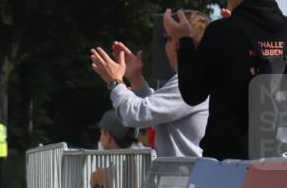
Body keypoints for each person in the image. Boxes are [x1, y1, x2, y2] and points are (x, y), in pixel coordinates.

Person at [168, 0, 287, 160]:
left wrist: (184, 40)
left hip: (229, 163)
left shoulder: (222, 31)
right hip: (281, 161)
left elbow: (192, 93)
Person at [90, 10, 211, 158]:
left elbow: (135, 115)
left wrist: (114, 82)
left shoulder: (189, 81)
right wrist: (136, 79)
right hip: (188, 178)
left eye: (166, 38)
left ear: (176, 43)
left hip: (184, 180)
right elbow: (155, 114)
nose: (165, 45)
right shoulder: (198, 78)